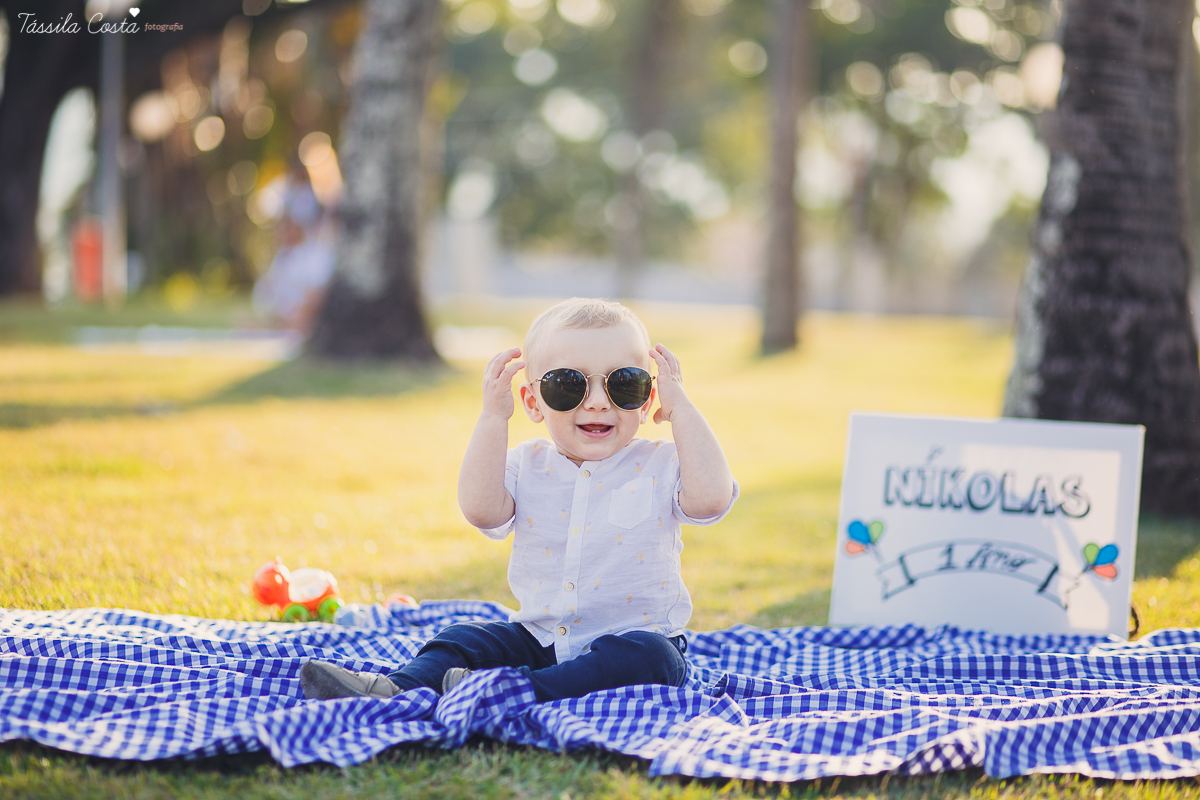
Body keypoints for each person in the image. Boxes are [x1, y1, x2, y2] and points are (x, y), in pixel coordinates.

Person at [301, 298, 737, 702]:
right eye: (569, 386)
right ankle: (398, 687)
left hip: (632, 641)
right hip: (540, 639)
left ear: (647, 401)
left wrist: (683, 409)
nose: (600, 403)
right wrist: (493, 418)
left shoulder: (660, 464)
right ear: (532, 401)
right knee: (464, 638)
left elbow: (712, 499)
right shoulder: (526, 465)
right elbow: (481, 510)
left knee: (652, 659)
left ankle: (515, 693)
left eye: (624, 384)